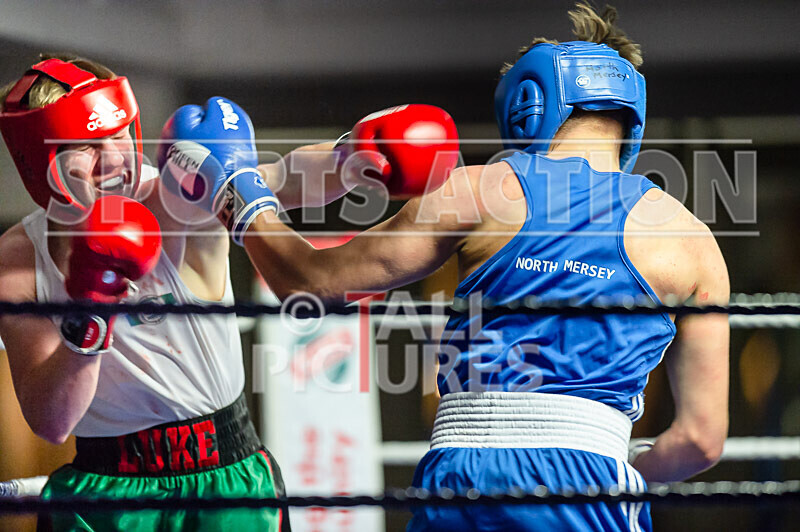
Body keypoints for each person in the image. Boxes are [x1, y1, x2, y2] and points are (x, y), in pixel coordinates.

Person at [160, 3, 730, 531]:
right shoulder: (694, 244)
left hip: (470, 478)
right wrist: (607, 465)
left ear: (528, 104)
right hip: (595, 490)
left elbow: (310, 283)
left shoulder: (479, 191)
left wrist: (237, 188)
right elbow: (701, 440)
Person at [0, 54, 456, 531]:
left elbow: (279, 179)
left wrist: (355, 159)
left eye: (118, 135)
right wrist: (92, 311)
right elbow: (52, 422)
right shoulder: (17, 260)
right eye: (87, 145)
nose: (114, 159)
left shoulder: (172, 196)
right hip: (105, 489)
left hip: (224, 479)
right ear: (36, 159)